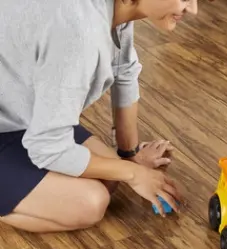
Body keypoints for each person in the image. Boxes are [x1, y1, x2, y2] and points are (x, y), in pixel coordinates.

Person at [0, 0, 203, 234]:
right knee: (90, 204)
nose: (193, 9)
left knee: (111, 177)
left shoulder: (114, 10)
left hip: (22, 115)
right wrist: (134, 173)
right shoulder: (78, 32)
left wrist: (130, 156)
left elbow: (123, 71)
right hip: (14, 125)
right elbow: (48, 148)